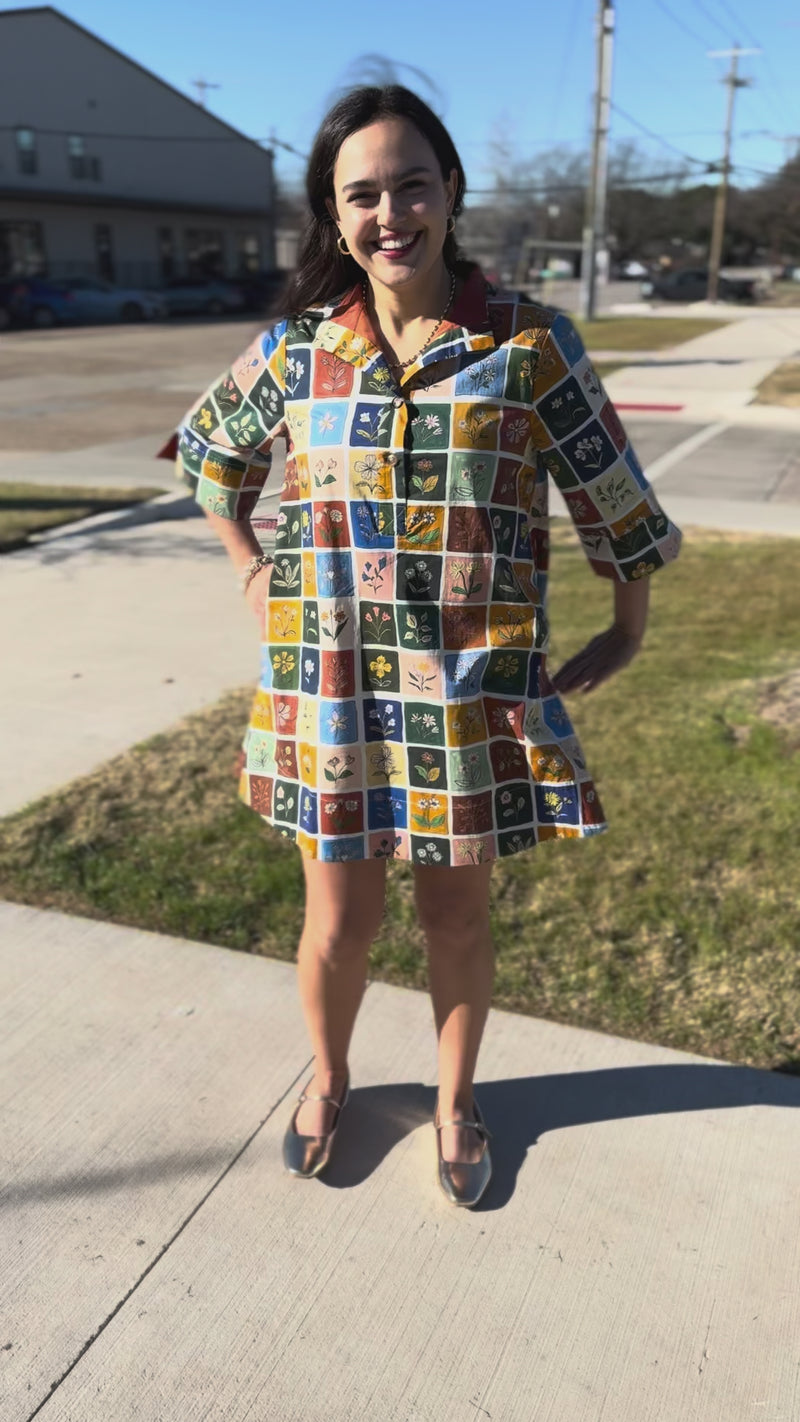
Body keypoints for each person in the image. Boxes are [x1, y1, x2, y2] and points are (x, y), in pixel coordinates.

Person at [175, 85, 681, 1208]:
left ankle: (455, 1102)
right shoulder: (300, 350)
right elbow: (210, 455)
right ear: (331, 214)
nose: (390, 212)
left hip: (463, 690)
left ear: (451, 192)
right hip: (333, 688)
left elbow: (610, 491)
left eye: (412, 183)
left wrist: (627, 625)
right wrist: (247, 565)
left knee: (454, 914)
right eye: (362, 193)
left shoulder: (526, 344)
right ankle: (332, 1076)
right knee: (336, 921)